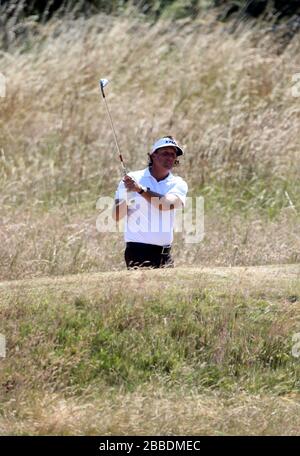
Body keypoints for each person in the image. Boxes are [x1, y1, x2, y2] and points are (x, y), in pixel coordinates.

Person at [112, 136, 188, 269]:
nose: (170, 157)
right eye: (165, 153)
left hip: (165, 254)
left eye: (173, 154)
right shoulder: (133, 179)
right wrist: (127, 194)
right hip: (137, 252)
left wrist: (140, 189)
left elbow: (165, 205)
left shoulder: (178, 183)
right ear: (153, 155)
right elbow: (117, 216)